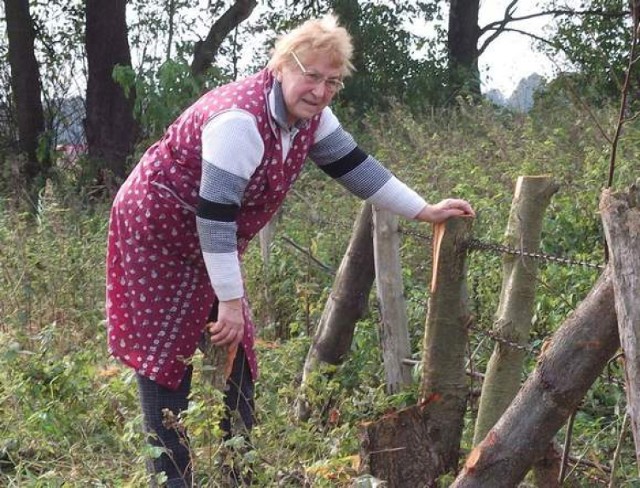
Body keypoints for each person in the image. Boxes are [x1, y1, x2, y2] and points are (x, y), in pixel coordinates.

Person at [105, 13, 474, 487]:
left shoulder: (311, 118)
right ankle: (172, 477)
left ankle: (239, 472)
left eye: (333, 82)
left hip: (210, 235)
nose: (320, 91)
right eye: (312, 75)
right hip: (155, 232)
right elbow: (214, 218)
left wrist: (425, 210)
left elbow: (356, 168)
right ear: (281, 66)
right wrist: (231, 301)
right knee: (168, 354)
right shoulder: (238, 122)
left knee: (237, 349)